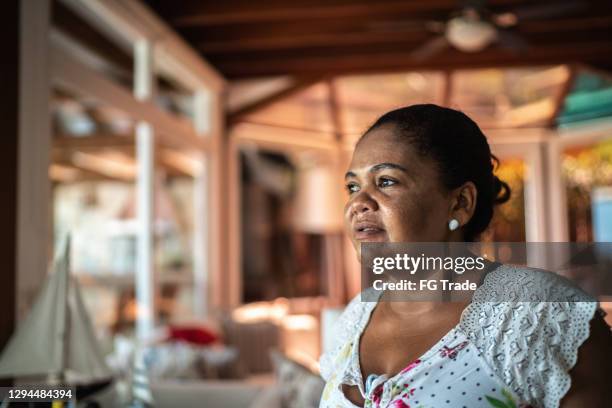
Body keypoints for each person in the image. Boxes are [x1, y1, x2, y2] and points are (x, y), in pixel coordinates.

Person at [318, 105, 612, 408]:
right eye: (353, 186)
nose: (358, 203)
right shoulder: (354, 318)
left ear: (460, 203)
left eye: (386, 181)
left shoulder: (544, 314)